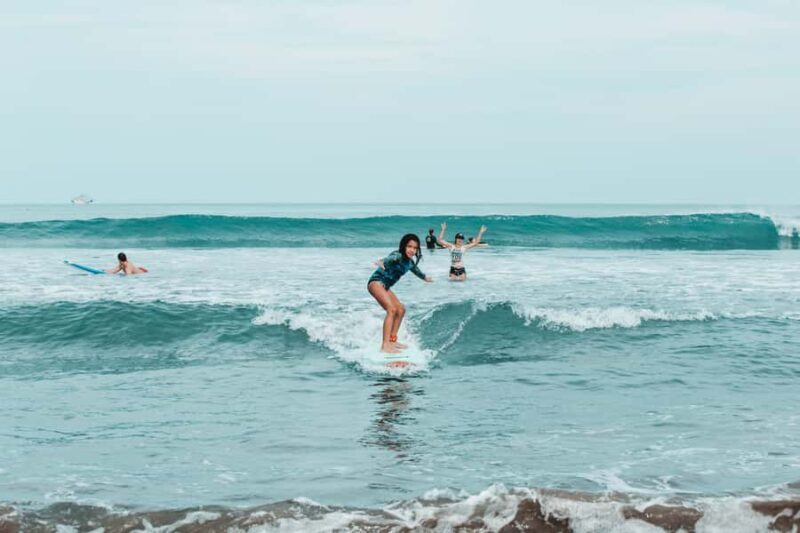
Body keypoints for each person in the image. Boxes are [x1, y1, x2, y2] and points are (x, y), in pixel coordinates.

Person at [368, 234, 432, 353]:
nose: (412, 250)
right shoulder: (398, 255)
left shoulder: (410, 263)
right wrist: (381, 261)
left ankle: (392, 340)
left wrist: (425, 278)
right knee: (391, 309)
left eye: (415, 248)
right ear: (404, 246)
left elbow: (416, 271)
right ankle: (385, 345)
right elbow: (389, 259)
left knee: (401, 310)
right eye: (409, 246)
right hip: (376, 282)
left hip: (385, 286)